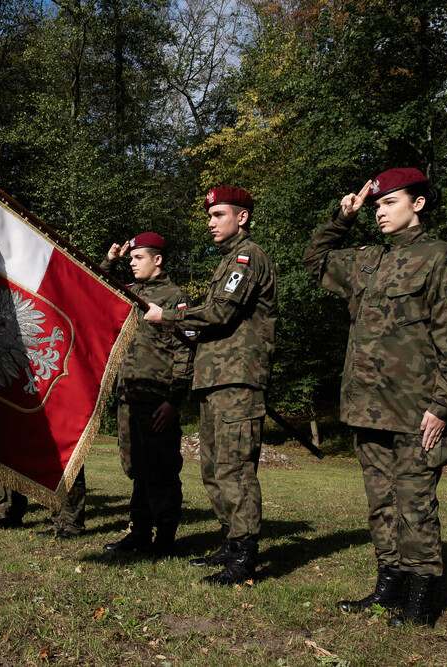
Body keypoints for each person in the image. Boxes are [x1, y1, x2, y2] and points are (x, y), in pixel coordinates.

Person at [303, 168, 447, 627]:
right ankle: (389, 587)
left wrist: (443, 405)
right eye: (376, 205)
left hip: (416, 410)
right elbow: (315, 260)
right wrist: (344, 217)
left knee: (415, 505)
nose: (379, 212)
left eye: (389, 202)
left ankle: (421, 599)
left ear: (418, 204)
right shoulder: (367, 259)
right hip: (367, 407)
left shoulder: (438, 256)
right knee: (381, 503)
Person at [145, 186, 277, 585]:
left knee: (235, 469)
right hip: (216, 379)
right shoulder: (227, 262)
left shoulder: (247, 257)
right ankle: (230, 542)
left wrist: (168, 317)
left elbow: (220, 313)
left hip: (238, 380)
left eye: (219, 214)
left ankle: (245, 556)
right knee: (214, 468)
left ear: (242, 217)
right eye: (210, 215)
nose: (211, 222)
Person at [99, 233, 194, 557]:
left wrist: (174, 400)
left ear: (158, 259)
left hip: (157, 398)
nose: (132, 263)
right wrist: (110, 261)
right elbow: (97, 291)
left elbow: (185, 350)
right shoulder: (130, 293)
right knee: (136, 468)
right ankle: (139, 532)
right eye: (131, 258)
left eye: (138, 258)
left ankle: (165, 536)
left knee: (161, 469)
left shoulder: (174, 297)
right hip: (129, 394)